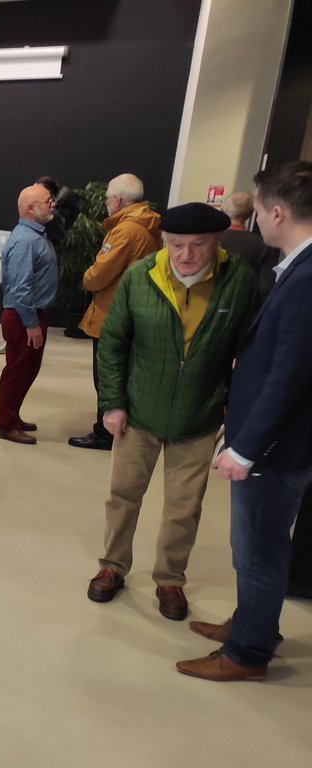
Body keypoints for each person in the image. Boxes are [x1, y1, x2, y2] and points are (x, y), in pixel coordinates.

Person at [85, 203, 257, 620]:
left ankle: (169, 579)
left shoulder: (238, 281)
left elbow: (248, 352)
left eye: (197, 246)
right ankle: (112, 566)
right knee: (122, 496)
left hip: (198, 418)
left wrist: (234, 411)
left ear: (217, 243)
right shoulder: (139, 277)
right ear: (165, 242)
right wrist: (112, 403)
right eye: (177, 245)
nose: (185, 255)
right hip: (139, 411)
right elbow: (113, 344)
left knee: (184, 507)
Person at [178, 161, 312, 681]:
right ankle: (252, 626)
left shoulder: (305, 278)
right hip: (276, 441)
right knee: (262, 545)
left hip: (275, 448)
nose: (256, 220)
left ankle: (248, 653)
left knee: (257, 549)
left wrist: (246, 446)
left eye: (257, 210)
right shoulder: (296, 269)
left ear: (277, 211)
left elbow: (290, 375)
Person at [69, 174, 161, 451]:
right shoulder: (148, 226)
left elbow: (97, 276)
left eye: (108, 198)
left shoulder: (125, 231)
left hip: (112, 315)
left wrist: (87, 275)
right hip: (131, 312)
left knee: (108, 376)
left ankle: (104, 433)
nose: (106, 202)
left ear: (118, 200)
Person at [0, 183, 57, 445]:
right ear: (31, 208)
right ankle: (6, 424)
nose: (52, 203)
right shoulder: (25, 241)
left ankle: (12, 416)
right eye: (47, 200)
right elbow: (20, 288)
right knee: (18, 370)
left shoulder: (35, 236)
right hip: (23, 316)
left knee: (27, 370)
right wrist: (31, 324)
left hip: (29, 315)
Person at [218, 190, 278, 297]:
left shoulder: (211, 240)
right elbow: (265, 287)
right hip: (244, 303)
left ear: (222, 210)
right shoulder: (264, 245)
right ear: (250, 214)